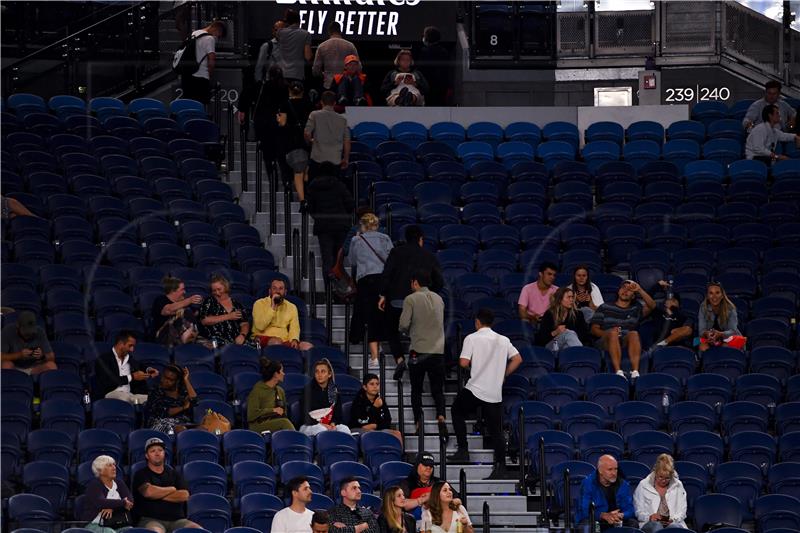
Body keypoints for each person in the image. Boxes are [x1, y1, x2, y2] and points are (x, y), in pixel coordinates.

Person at [448, 309, 522, 479]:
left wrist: (475, 366)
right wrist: (503, 375)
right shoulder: (503, 340)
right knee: (496, 431)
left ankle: (463, 450)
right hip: (494, 391)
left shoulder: (472, 338)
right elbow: (518, 359)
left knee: (456, 410)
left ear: (477, 322)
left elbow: (463, 362)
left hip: (476, 388)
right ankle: (501, 467)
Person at [379, 225, 444, 378]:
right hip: (422, 302)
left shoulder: (396, 252)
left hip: (397, 300)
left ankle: (400, 359)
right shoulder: (429, 256)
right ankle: (417, 362)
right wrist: (430, 295)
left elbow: (386, 275)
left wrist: (383, 294)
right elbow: (439, 281)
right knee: (419, 331)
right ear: (421, 239)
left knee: (391, 330)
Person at [398, 269, 447, 439]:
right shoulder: (439, 299)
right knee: (437, 390)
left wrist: (408, 329)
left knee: (416, 389)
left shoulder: (411, 299)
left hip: (418, 351)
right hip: (438, 352)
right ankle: (441, 418)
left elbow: (403, 324)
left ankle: (419, 423)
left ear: (415, 283)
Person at [347, 212, 393, 368]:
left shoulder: (356, 240)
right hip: (382, 280)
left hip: (365, 280)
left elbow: (352, 261)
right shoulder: (385, 238)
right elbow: (391, 261)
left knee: (367, 314)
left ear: (363, 225)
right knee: (379, 314)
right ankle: (377, 346)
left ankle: (373, 354)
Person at [591, 279, 656, 380]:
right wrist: (609, 333)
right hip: (606, 340)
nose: (625, 291)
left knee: (634, 333)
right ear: (618, 291)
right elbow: (594, 329)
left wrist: (640, 289)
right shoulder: (605, 307)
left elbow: (652, 305)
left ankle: (635, 372)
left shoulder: (636, 309)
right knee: (613, 333)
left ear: (633, 295)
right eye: (623, 288)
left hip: (625, 340)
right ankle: (618, 372)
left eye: (629, 290)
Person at [132, 437, 200, 532]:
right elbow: (149, 493)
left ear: (164, 453)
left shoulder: (174, 473)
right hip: (151, 520)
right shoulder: (141, 474)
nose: (157, 453)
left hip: (178, 520)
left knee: (197, 530)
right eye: (153, 451)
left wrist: (158, 494)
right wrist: (172, 489)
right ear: (147, 456)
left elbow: (184, 495)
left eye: (160, 450)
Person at [238, 64, 291, 183]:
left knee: (268, 156)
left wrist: (242, 111)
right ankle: (286, 182)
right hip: (279, 125)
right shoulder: (285, 88)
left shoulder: (261, 86)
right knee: (282, 156)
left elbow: (245, 95)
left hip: (263, 125)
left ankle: (273, 182)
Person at [306, 161, 355, 282]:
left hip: (323, 226)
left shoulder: (313, 186)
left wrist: (319, 216)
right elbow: (350, 203)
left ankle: (329, 290)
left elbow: (310, 208)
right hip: (341, 225)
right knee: (338, 260)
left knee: (327, 259)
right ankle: (340, 290)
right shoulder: (339, 184)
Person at [93, 330, 156, 405]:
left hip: (131, 395)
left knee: (154, 400)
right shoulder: (104, 360)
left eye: (133, 346)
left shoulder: (129, 359)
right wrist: (132, 377)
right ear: (120, 344)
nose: (132, 349)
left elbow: (140, 365)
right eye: (130, 346)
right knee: (127, 399)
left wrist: (149, 369)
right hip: (111, 393)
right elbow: (108, 381)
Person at [576, 455, 637, 531]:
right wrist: (603, 515)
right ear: (600, 470)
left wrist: (620, 515)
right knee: (585, 526)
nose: (614, 473)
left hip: (616, 519)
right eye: (610, 469)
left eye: (615, 469)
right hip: (596, 520)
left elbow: (630, 509)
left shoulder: (623, 484)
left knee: (633, 523)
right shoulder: (588, 484)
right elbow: (584, 511)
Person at [252, 279, 312, 350]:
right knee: (276, 342)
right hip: (262, 337)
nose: (277, 291)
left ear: (285, 292)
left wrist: (294, 340)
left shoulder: (291, 307)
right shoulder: (259, 304)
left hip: (283, 340)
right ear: (269, 291)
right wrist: (273, 307)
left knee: (308, 346)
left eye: (281, 289)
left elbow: (295, 328)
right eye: (274, 288)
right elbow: (260, 326)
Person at [633, 454, 688, 532]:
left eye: (667, 478)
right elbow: (638, 511)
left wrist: (673, 519)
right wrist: (649, 517)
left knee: (674, 527)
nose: (663, 481)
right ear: (655, 472)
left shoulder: (678, 485)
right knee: (656, 526)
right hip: (650, 523)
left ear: (671, 475)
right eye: (660, 477)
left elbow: (682, 511)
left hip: (672, 523)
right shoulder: (643, 485)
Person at [279, 81, 313, 203]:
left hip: (291, 140)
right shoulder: (308, 104)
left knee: (296, 170)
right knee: (304, 169)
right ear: (302, 92)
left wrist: (278, 119)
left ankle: (300, 197)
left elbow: (282, 123)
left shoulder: (285, 104)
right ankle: (305, 194)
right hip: (305, 140)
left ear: (289, 91)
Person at [80, 455, 135, 533]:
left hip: (118, 523)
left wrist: (112, 508)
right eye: (110, 465)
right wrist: (122, 502)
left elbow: (130, 501)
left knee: (131, 531)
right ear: (100, 470)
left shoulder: (119, 483)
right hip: (95, 524)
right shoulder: (94, 485)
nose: (114, 467)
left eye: (114, 465)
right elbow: (101, 502)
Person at [197, 274, 254, 347]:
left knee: (252, 347)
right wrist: (228, 316)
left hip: (236, 339)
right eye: (214, 290)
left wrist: (242, 335)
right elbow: (205, 320)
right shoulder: (209, 301)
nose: (217, 293)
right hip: (217, 339)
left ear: (226, 287)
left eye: (219, 289)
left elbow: (244, 323)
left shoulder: (237, 304)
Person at [304, 90, 351, 179]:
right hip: (335, 160)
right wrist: (346, 158)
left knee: (315, 188)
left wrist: (310, 142)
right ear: (334, 103)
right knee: (333, 189)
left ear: (321, 102)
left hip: (317, 158)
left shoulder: (314, 115)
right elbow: (347, 141)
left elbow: (307, 133)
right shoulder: (343, 119)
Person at [300, 359, 351, 437]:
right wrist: (321, 424)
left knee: (345, 429)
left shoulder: (334, 391)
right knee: (322, 430)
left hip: (329, 425)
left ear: (329, 374)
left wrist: (333, 424)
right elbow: (304, 415)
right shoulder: (307, 390)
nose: (319, 374)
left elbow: (338, 415)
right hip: (309, 425)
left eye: (323, 371)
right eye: (317, 371)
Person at [180, 20, 226, 105]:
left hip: (187, 76)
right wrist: (210, 75)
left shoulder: (194, 33)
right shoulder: (209, 38)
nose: (217, 37)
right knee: (200, 107)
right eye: (218, 35)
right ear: (217, 29)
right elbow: (211, 61)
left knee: (188, 105)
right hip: (201, 78)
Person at [534, 286, 591, 353]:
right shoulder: (549, 314)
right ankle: (582, 356)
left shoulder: (578, 314)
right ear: (560, 299)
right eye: (568, 297)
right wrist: (555, 332)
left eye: (572, 297)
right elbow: (541, 338)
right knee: (568, 333)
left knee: (567, 344)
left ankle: (574, 359)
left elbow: (584, 335)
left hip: (570, 345)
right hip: (552, 345)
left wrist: (572, 336)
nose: (571, 300)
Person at [144, 364, 198, 435]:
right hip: (160, 423)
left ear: (177, 381)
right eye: (164, 377)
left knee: (203, 428)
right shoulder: (155, 391)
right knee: (181, 429)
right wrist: (183, 407)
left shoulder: (182, 392)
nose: (165, 381)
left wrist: (186, 379)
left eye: (170, 380)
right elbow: (163, 411)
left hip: (183, 423)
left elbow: (195, 401)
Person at [349, 373, 402, 443]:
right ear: (365, 387)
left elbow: (388, 421)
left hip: (377, 428)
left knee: (397, 433)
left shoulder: (380, 401)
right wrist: (374, 408)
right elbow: (361, 422)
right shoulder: (358, 401)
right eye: (372, 384)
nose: (375, 386)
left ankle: (400, 453)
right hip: (358, 428)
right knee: (372, 433)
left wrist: (376, 426)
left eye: (377, 384)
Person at [247, 357, 295, 434]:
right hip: (258, 424)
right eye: (282, 371)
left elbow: (284, 412)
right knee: (284, 422)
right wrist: (272, 410)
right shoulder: (257, 391)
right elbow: (251, 415)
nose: (284, 373)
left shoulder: (280, 390)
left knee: (285, 422)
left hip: (276, 421)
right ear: (276, 374)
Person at [1, 310, 57, 374]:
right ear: (18, 326)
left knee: (52, 365)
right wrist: (19, 355)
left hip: (34, 367)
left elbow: (51, 357)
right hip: (14, 367)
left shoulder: (40, 331)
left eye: (31, 333)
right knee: (6, 364)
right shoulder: (7, 331)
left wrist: (42, 356)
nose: (28, 336)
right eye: (25, 333)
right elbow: (1, 357)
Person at [151, 277, 203, 347]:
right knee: (184, 311)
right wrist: (189, 300)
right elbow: (168, 310)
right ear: (173, 291)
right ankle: (187, 340)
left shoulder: (183, 302)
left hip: (186, 333)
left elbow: (195, 315)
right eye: (182, 289)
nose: (184, 292)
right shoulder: (160, 300)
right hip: (164, 336)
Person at [697, 281, 743, 352]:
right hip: (710, 338)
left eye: (717, 293)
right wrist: (707, 333)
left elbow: (733, 331)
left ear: (722, 295)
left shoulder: (730, 308)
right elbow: (701, 331)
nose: (714, 296)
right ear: (707, 296)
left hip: (729, 337)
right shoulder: (703, 307)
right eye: (711, 293)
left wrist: (720, 334)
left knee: (725, 347)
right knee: (699, 344)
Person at [647, 281, 693, 351]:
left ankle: (663, 343)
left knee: (687, 329)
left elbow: (688, 332)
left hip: (678, 347)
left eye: (674, 300)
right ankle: (661, 345)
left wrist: (677, 332)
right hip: (658, 347)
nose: (671, 301)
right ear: (665, 302)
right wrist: (658, 285)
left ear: (679, 305)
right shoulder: (658, 312)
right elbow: (648, 299)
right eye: (669, 300)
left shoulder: (683, 317)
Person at [313, 22, 358, 89]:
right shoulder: (350, 46)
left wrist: (324, 75)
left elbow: (316, 70)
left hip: (328, 84)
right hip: (346, 86)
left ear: (329, 32)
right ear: (340, 31)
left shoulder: (322, 46)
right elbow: (359, 67)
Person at [414, 26, 450, 107]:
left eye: (424, 35)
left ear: (427, 38)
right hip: (442, 89)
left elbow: (420, 71)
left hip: (428, 89)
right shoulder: (444, 52)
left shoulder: (424, 52)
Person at [518, 262, 558, 327]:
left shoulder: (557, 290)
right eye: (549, 274)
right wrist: (532, 317)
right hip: (531, 321)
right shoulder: (527, 288)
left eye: (554, 275)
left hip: (549, 322)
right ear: (540, 274)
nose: (552, 277)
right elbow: (521, 312)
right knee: (524, 321)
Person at [278, 9, 312, 82]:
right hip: (297, 74)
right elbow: (308, 56)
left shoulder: (280, 32)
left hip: (282, 74)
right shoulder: (306, 34)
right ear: (299, 20)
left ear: (287, 21)